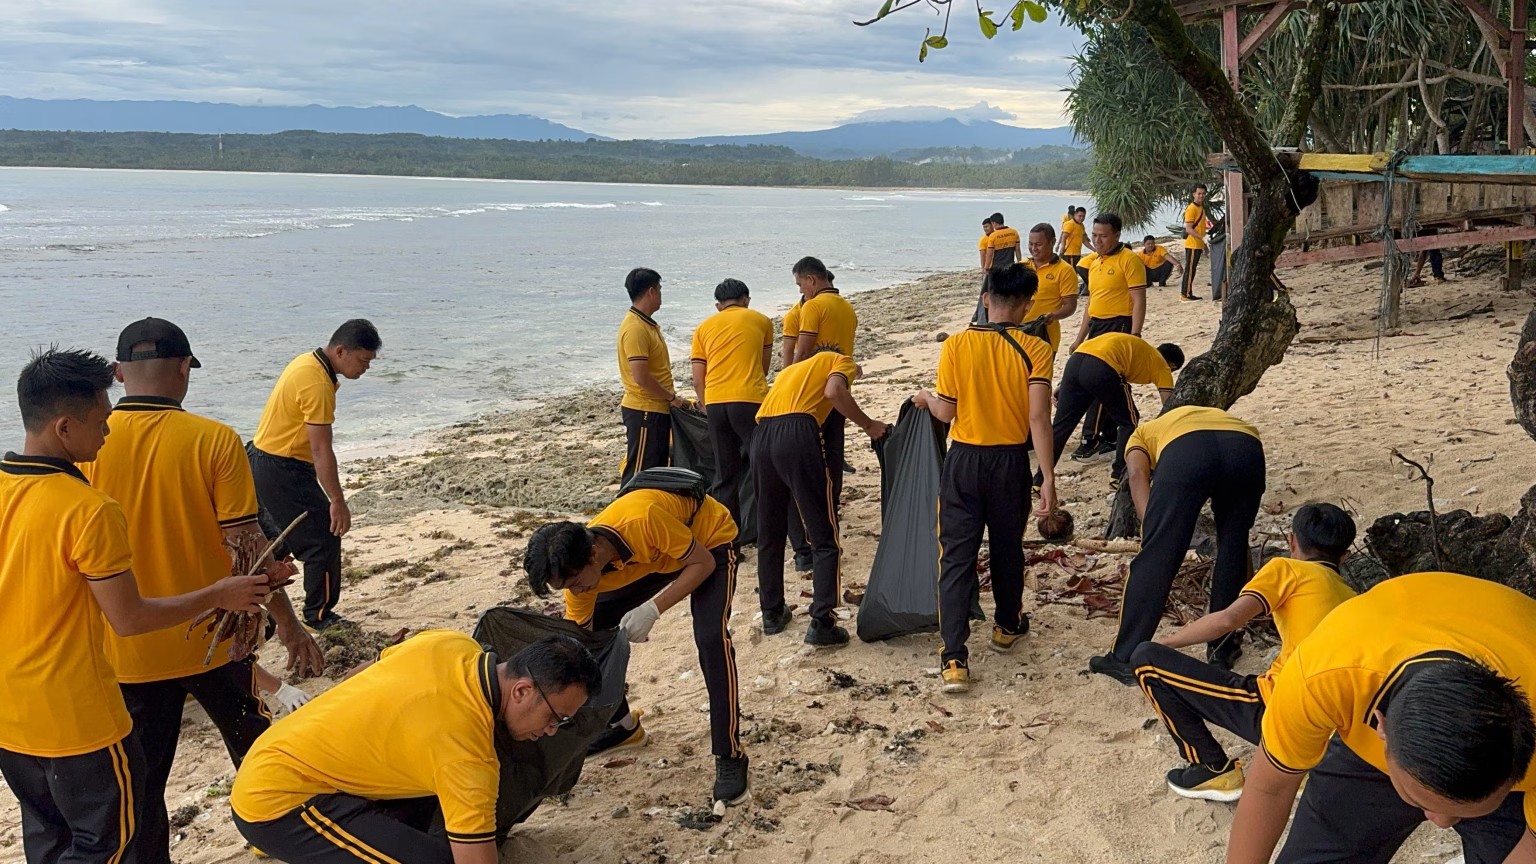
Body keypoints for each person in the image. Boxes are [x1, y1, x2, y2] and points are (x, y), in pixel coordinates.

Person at [0, 348, 267, 864]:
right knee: (111, 844)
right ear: (62, 428)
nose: (107, 432)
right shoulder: (88, 509)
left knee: (49, 839)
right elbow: (130, 619)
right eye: (101, 421)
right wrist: (219, 593)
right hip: (80, 720)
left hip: (11, 717)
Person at [81, 317, 327, 864]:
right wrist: (287, 623)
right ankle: (292, 846)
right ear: (184, 368)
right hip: (216, 642)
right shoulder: (213, 440)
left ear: (118, 373)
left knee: (141, 795)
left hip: (126, 650)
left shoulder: (82, 443)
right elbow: (248, 548)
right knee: (266, 760)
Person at [1226, 571, 1536, 864]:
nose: (1441, 824)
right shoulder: (1326, 675)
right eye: (1423, 802)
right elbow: (1271, 787)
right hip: (1379, 650)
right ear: (1381, 727)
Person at [231, 632, 601, 864]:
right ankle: (297, 844)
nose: (552, 731)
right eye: (555, 717)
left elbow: (358, 674)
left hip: (294, 754)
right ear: (522, 690)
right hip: (276, 802)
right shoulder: (468, 754)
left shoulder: (451, 643)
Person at [523, 484, 749, 806]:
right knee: (591, 641)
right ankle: (623, 728)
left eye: (574, 583)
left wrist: (653, 609)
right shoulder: (581, 579)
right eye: (566, 587)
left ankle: (730, 754)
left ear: (592, 555)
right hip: (659, 560)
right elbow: (579, 643)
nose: (574, 591)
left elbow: (702, 564)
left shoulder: (642, 519)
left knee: (711, 638)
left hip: (708, 545)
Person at [1128, 503, 1356, 801]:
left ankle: (1210, 767)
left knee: (1146, 659)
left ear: (1291, 542)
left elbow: (1227, 620)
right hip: (1328, 736)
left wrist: (1166, 645)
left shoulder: (1288, 568)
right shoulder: (1353, 599)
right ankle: (1301, 769)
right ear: (1345, 555)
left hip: (1281, 714)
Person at [911, 263, 1057, 695]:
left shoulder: (957, 344)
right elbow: (1038, 418)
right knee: (1007, 546)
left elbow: (947, 411)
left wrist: (923, 398)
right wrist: (1047, 477)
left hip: (964, 461)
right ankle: (1006, 626)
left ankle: (954, 657)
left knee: (956, 555)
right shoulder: (1037, 349)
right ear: (1028, 304)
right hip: (1011, 462)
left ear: (986, 298)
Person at [1089, 405, 1264, 683]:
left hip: (1188, 451)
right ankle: (1222, 649)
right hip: (1245, 447)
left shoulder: (1141, 436)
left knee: (1159, 555)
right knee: (1233, 545)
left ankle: (1124, 658)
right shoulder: (1204, 417)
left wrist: (1154, 531)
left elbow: (1136, 475)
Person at [249, 318, 380, 630]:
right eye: (363, 360)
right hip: (281, 467)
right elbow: (321, 450)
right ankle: (318, 615)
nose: (365, 368)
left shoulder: (308, 362)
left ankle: (257, 606)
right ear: (340, 351)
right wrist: (337, 500)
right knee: (323, 537)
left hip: (259, 459)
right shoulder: (317, 382)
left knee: (277, 543)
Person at [755, 348, 888, 647]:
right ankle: (822, 622)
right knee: (824, 533)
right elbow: (834, 391)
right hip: (798, 432)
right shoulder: (839, 360)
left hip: (762, 435)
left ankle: (772, 612)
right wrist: (869, 425)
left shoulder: (791, 371)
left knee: (770, 533)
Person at [1037, 334, 1183, 483]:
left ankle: (1039, 481)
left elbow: (1092, 359)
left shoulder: (1141, 349)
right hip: (1102, 366)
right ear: (1171, 365)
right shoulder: (1161, 365)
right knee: (1128, 422)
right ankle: (1118, 475)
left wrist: (1064, 385)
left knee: (1061, 426)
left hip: (1076, 361)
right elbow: (1168, 406)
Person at [690, 278, 774, 533]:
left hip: (716, 403)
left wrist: (705, 404)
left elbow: (697, 379)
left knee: (725, 475)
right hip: (749, 400)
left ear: (718, 306)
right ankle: (765, 531)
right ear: (746, 300)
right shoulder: (762, 321)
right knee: (764, 468)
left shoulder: (702, 329)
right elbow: (763, 367)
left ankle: (729, 537)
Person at [1067, 213, 1148, 461]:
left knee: (1100, 381)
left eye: (1103, 236)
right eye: (1094, 236)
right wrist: (1079, 338)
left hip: (1119, 325)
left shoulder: (1130, 260)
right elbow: (1091, 303)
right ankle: (1112, 434)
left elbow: (1138, 300)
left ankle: (1090, 437)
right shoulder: (1093, 262)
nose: (1098, 240)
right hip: (1096, 326)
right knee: (1105, 383)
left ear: (1117, 235)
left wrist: (1134, 334)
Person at [789, 256, 859, 511]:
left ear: (811, 279)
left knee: (812, 450)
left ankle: (816, 503)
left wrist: (790, 377)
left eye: (800, 284)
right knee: (834, 447)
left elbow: (804, 350)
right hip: (841, 384)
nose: (800, 290)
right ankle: (833, 500)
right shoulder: (846, 306)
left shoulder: (813, 306)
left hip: (815, 389)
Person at [616, 268, 688, 485]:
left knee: (656, 472)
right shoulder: (635, 328)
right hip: (644, 410)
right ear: (651, 292)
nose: (661, 294)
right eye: (660, 289)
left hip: (656, 409)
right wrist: (671, 397)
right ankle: (625, 517)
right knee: (639, 475)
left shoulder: (647, 324)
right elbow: (641, 377)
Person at [1022, 222, 1080, 351]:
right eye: (1031, 244)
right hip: (1019, 331)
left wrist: (1053, 316)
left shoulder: (1065, 270)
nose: (1034, 248)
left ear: (1052, 242)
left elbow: (1070, 305)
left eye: (1038, 244)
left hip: (1045, 334)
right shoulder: (1023, 266)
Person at [1180, 184, 1210, 301]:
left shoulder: (1201, 208)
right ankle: (1185, 294)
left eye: (1203, 194)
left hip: (1197, 244)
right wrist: (1202, 238)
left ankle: (1188, 292)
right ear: (1194, 194)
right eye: (1199, 193)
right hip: (1192, 244)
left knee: (1193, 269)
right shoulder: (1191, 208)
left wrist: (1204, 244)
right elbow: (1189, 228)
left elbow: (1201, 228)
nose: (1201, 196)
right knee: (1190, 269)